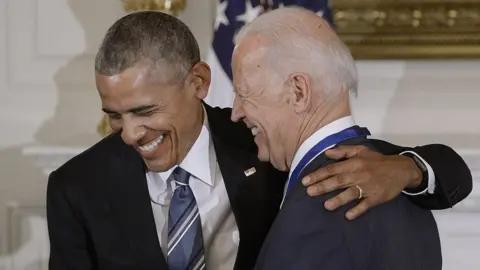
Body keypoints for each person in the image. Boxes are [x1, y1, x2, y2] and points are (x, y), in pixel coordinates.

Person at [46, 11, 471, 270]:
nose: (130, 134)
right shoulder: (76, 187)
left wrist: (411, 167)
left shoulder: (266, 145)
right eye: (115, 117)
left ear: (198, 81)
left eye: (145, 111)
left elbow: (442, 168)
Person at [230, 6, 450, 270]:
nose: (235, 113)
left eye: (244, 94)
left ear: (299, 92)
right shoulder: (407, 187)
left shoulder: (316, 206)